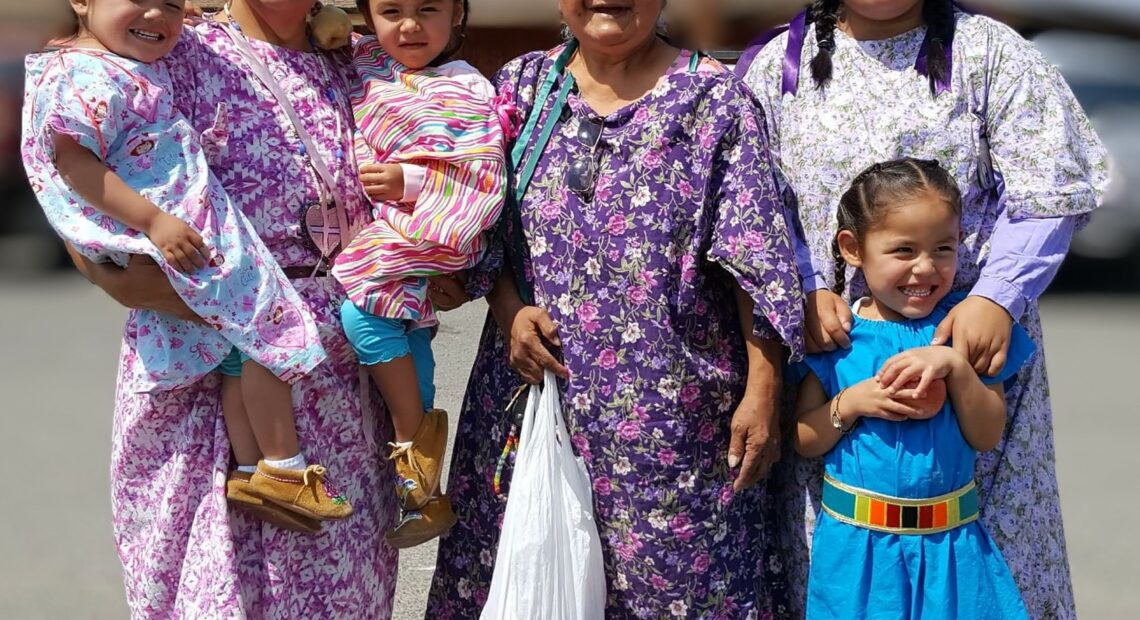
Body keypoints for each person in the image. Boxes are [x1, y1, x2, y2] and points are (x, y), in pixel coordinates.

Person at [415, 0, 805, 615]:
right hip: (531, 407)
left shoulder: (714, 102)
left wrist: (763, 389)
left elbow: (756, 261)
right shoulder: (522, 88)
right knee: (531, 586)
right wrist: (510, 309)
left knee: (673, 592)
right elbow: (478, 219)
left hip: (675, 434)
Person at [739, 1, 1109, 616]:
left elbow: (1051, 186)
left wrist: (997, 297)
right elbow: (753, 199)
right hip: (834, 343)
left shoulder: (992, 52)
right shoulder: (781, 64)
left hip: (970, 347)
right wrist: (801, 286)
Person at [55, 0, 400, 616]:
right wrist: (110, 276)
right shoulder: (177, 49)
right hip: (210, 362)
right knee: (218, 589)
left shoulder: (355, 59)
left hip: (344, 369)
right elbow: (71, 161)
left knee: (342, 588)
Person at [22, 0, 353, 537]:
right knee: (262, 331)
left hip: (323, 325)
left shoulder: (348, 56)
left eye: (171, 4)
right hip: (186, 256)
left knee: (242, 351)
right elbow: (71, 164)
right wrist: (148, 226)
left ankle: (256, 470)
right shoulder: (105, 66)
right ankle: (281, 467)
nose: (157, 15)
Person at [793, 158, 1031, 619]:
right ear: (852, 248)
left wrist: (955, 367)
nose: (925, 269)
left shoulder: (962, 328)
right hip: (856, 556)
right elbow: (803, 438)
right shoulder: (837, 335)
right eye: (904, 251)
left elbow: (986, 435)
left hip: (952, 551)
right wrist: (852, 403)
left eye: (943, 248)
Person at [334, 0, 505, 548]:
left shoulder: (467, 85)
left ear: (457, 12)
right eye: (391, 10)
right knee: (409, 328)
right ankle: (422, 486)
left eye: (427, 8)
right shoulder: (364, 63)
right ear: (366, 15)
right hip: (396, 226)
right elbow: (324, 28)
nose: (409, 25)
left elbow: (481, 170)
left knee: (360, 310)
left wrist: (408, 181)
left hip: (441, 223)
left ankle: (413, 436)